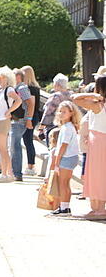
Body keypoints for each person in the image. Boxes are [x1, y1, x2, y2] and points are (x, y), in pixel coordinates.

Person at [73, 77, 106, 219]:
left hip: (98, 141)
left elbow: (75, 98)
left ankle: (98, 208)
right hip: (99, 139)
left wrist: (92, 95)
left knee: (96, 174)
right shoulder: (99, 105)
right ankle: (98, 207)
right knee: (100, 174)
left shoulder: (97, 105)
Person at [49, 101, 82, 216]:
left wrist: (57, 162)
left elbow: (64, 145)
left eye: (64, 112)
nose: (61, 114)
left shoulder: (67, 128)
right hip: (69, 157)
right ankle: (64, 206)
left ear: (71, 113)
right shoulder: (67, 127)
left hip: (66, 157)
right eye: (60, 111)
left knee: (63, 183)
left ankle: (64, 207)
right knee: (65, 183)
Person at [10, 68, 35, 181]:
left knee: (15, 146)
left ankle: (17, 173)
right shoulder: (17, 88)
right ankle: (15, 172)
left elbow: (30, 103)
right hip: (16, 120)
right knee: (14, 146)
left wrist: (29, 119)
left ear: (18, 77)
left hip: (20, 120)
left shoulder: (22, 88)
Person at [41, 74, 72, 144]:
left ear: (58, 85)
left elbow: (48, 112)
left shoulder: (56, 97)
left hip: (53, 126)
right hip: (69, 125)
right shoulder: (71, 95)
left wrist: (41, 127)